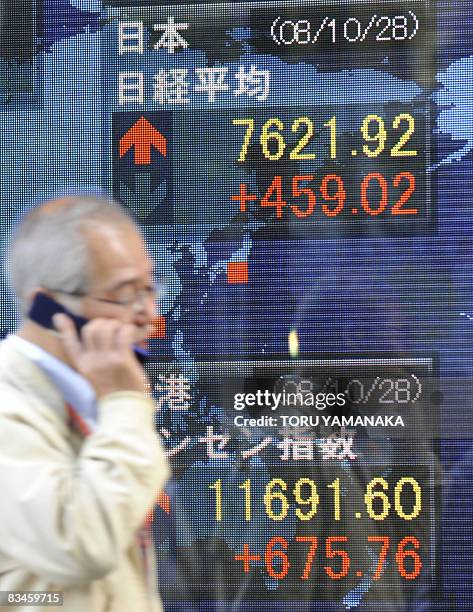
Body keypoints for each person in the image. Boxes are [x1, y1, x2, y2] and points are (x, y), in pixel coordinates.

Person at [0, 195, 170, 611]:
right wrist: (126, 402)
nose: (148, 314)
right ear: (48, 307)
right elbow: (84, 544)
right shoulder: (10, 404)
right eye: (124, 295)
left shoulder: (89, 396)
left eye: (149, 288)